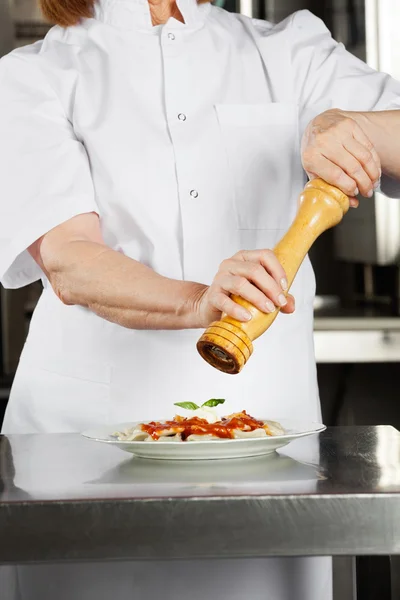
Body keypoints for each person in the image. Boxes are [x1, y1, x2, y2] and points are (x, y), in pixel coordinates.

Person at [1, 0, 400, 598]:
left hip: (269, 449)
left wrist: (349, 125)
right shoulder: (32, 76)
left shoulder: (290, 49)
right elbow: (69, 260)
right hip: (81, 456)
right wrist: (197, 302)